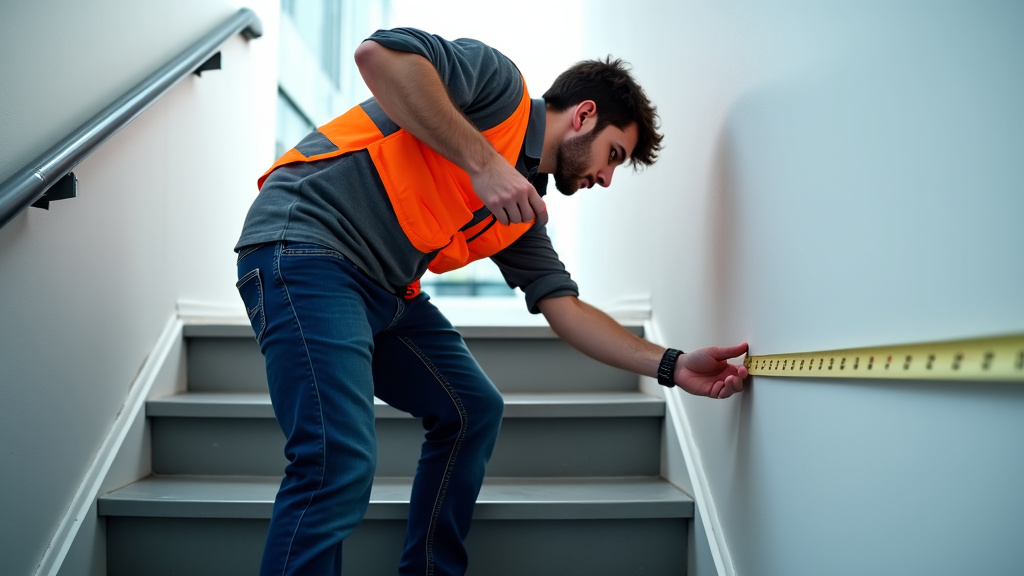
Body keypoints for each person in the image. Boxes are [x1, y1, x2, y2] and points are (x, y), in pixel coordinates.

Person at [234, 27, 748, 576]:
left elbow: (566, 309)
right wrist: (484, 163)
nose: (605, 177)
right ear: (583, 115)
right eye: (612, 154)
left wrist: (672, 365)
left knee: (472, 408)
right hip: (304, 247)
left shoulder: (520, 208)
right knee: (336, 460)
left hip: (380, 290)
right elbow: (377, 57)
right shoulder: (497, 87)